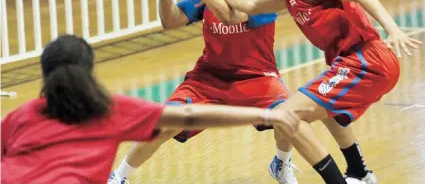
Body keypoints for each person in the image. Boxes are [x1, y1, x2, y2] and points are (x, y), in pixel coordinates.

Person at [174, 0, 422, 184]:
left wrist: (393, 30)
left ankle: (332, 176)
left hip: (367, 61)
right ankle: (358, 172)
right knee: (318, 108)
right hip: (350, 62)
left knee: (288, 115)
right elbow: (250, 4)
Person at [109, 0, 297, 184]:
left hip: (255, 77)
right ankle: (118, 177)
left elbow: (230, 17)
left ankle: (282, 163)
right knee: (165, 121)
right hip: (208, 79)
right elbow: (170, 20)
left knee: (287, 115)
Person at [0, 34, 302, 184]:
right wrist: (266, 114)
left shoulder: (18, 116)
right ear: (90, 72)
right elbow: (188, 115)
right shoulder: (108, 110)